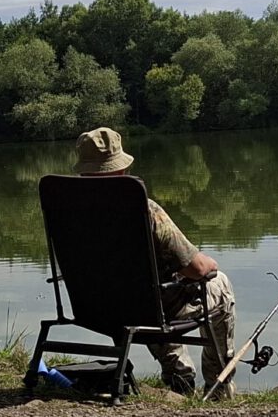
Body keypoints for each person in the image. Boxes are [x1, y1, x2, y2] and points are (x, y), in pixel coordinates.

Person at [74, 126, 237, 399]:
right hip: (147, 310)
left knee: (147, 291)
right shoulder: (143, 208)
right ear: (120, 169)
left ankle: (179, 379)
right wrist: (210, 264)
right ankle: (219, 388)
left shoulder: (68, 210)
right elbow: (195, 268)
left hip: (98, 309)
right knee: (219, 284)